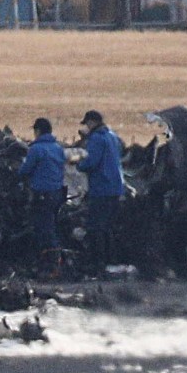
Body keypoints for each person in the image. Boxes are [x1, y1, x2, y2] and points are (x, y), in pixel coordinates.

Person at [74, 109, 124, 272]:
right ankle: (112, 260)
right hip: (116, 187)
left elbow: (91, 162)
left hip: (102, 187)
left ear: (93, 122)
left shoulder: (96, 138)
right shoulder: (112, 136)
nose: (87, 126)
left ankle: (99, 262)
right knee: (109, 225)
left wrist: (78, 164)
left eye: (87, 123)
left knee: (96, 226)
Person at [18, 117, 66, 275]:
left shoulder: (36, 149)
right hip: (58, 193)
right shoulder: (58, 148)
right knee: (51, 224)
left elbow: (25, 170)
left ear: (38, 131)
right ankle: (52, 262)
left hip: (42, 194)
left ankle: (52, 265)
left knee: (44, 228)